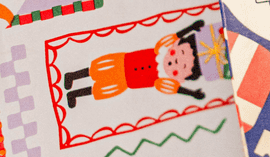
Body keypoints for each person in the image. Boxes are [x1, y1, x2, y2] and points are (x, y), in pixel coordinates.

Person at [63, 20, 206, 108]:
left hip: (125, 82)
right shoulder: (160, 49)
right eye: (181, 53)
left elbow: (174, 88)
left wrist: (192, 93)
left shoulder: (162, 79)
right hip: (121, 62)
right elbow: (174, 37)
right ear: (176, 47)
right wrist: (191, 27)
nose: (177, 62)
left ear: (183, 75)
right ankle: (72, 76)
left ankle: (74, 94)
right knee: (97, 69)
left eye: (184, 66)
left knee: (101, 88)